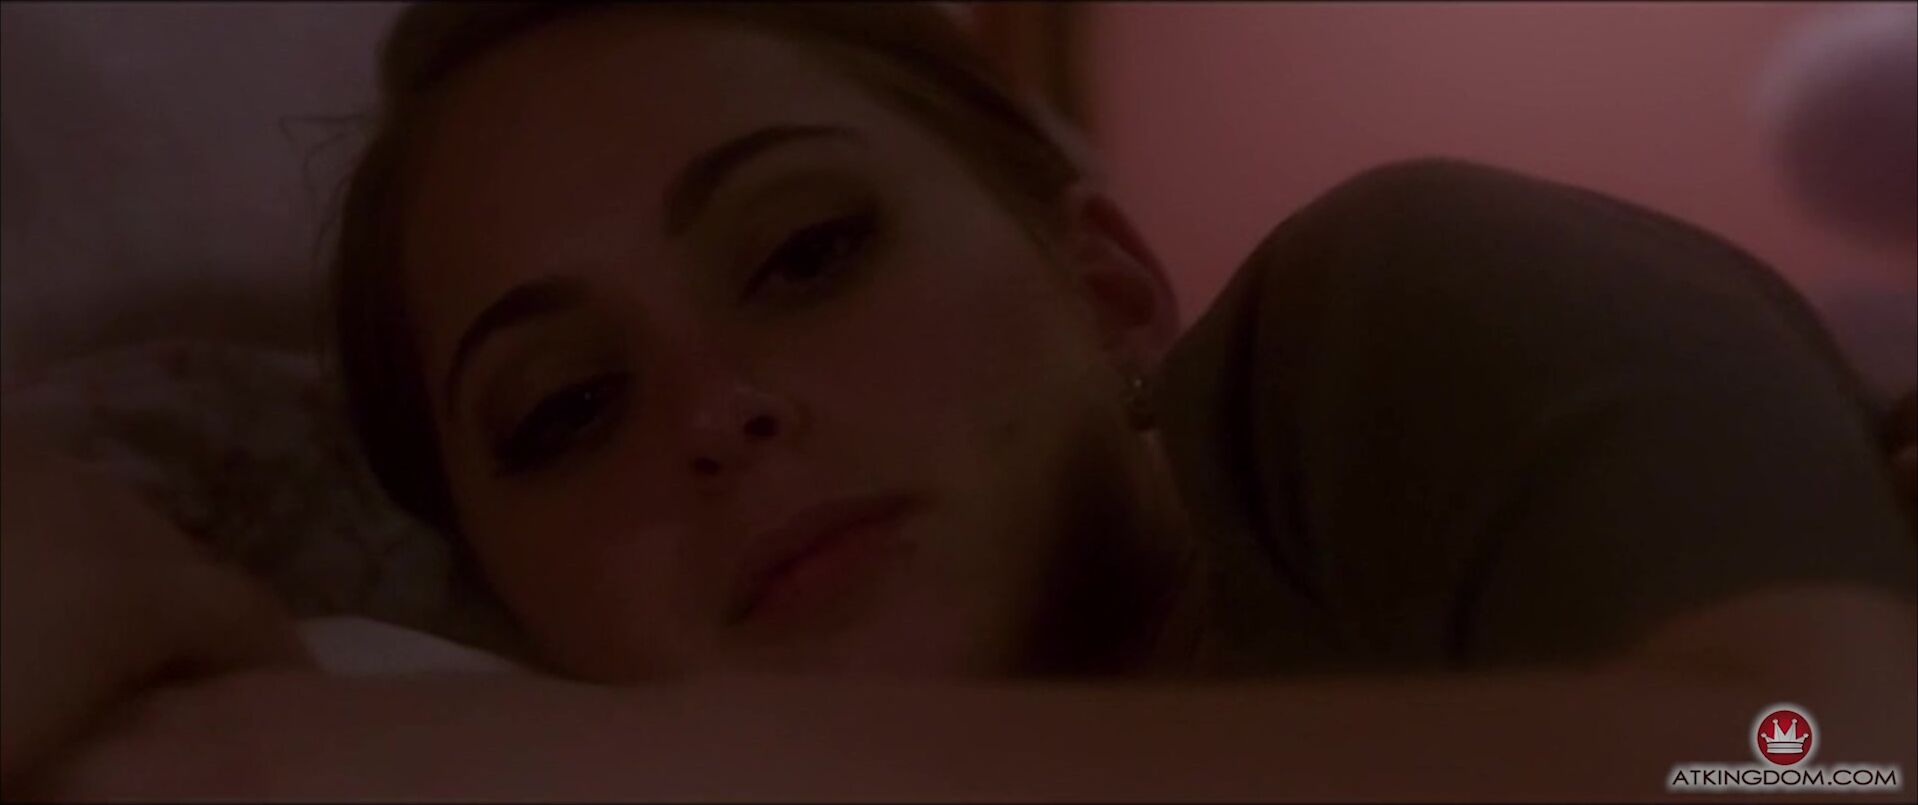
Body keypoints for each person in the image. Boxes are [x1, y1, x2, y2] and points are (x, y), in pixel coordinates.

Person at [3, 3, 1913, 799]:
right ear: (507, 602)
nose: (715, 410)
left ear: (1108, 287)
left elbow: (1808, 756)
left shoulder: (1382, 307)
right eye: (565, 408)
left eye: (807, 251)